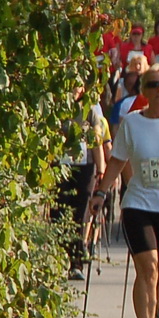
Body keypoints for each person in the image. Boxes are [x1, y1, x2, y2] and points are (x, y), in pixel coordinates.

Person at [91, 64, 159, 318]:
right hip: (138, 204)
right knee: (148, 268)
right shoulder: (132, 123)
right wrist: (101, 192)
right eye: (153, 85)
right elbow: (118, 160)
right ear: (143, 91)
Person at [57, 85, 109, 280]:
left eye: (78, 85)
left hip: (84, 167)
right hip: (60, 166)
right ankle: (59, 259)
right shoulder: (56, 105)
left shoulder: (90, 108)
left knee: (80, 214)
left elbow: (96, 142)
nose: (75, 89)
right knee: (59, 212)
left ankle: (76, 261)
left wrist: (101, 171)